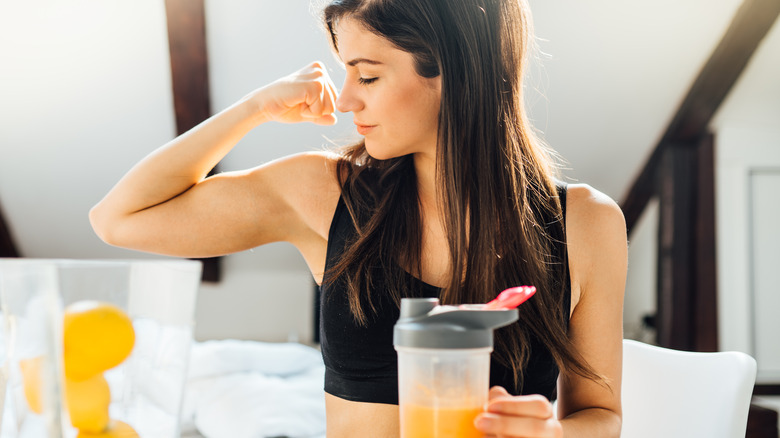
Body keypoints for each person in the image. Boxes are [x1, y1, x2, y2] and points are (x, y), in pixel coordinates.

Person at [90, 0, 626, 436]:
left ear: (457, 72)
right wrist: (256, 108)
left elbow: (600, 415)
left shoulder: (585, 224)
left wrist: (555, 437)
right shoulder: (324, 195)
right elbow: (120, 218)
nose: (345, 100)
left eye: (367, 77)